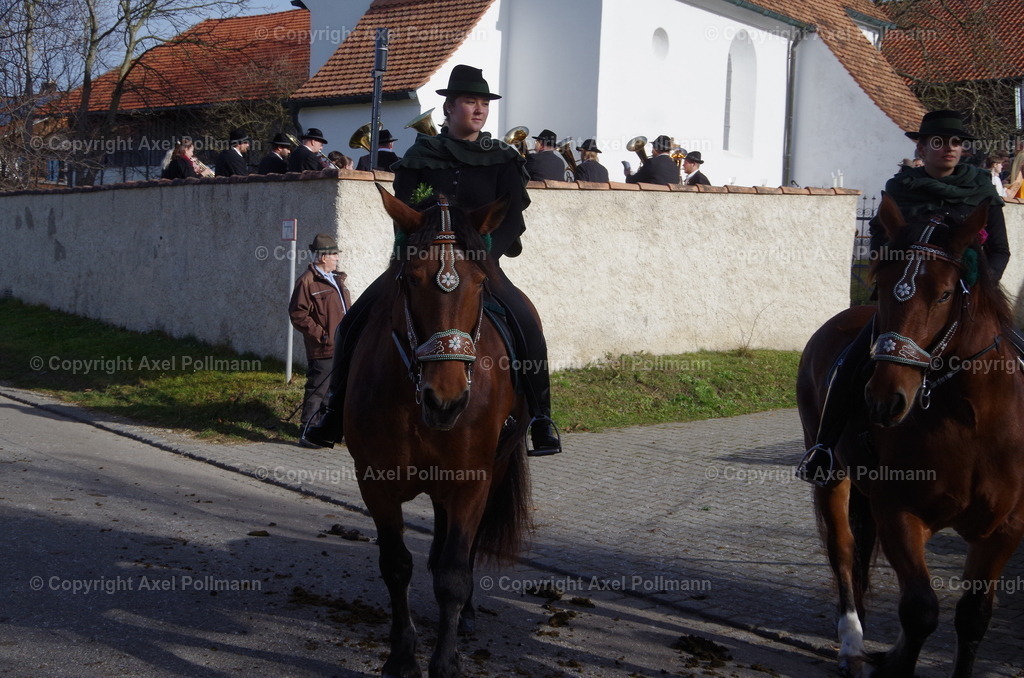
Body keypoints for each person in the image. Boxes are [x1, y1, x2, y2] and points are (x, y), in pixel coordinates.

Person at [302, 64, 562, 456]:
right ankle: (333, 411)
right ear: (450, 107)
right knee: (353, 322)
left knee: (526, 322)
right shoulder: (420, 157)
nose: (479, 109)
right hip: (421, 264)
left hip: (479, 266)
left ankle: (541, 418)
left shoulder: (502, 158)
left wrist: (479, 258)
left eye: (484, 103)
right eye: (469, 102)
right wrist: (418, 253)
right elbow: (408, 211)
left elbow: (511, 219)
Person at [798, 109, 1009, 485]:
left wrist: (976, 288)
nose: (949, 148)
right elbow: (881, 241)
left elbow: (999, 250)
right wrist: (898, 275)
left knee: (1016, 354)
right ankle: (824, 449)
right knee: (849, 363)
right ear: (922, 148)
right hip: (910, 303)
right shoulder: (900, 189)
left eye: (956, 142)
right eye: (938, 142)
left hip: (966, 300)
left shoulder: (981, 190)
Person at [288, 233, 350, 448]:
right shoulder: (307, 281)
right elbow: (298, 315)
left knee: (334, 391)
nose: (337, 258)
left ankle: (325, 430)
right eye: (334, 254)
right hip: (323, 347)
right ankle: (307, 432)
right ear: (323, 257)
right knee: (317, 389)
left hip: (341, 346)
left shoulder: (337, 279)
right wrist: (323, 336)